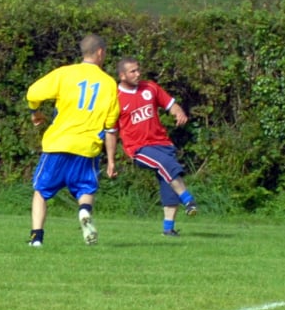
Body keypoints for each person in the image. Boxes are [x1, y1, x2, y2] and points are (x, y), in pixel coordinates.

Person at [25, 34, 120, 247]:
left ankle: (36, 238)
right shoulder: (109, 84)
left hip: (59, 143)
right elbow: (111, 127)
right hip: (88, 147)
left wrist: (35, 112)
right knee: (86, 189)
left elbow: (33, 93)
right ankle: (84, 211)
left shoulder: (65, 73)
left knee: (41, 192)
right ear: (100, 53)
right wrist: (112, 160)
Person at [103, 57, 197, 235]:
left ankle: (168, 230)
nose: (138, 74)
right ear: (122, 75)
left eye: (138, 70)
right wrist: (111, 161)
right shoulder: (115, 98)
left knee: (167, 182)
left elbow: (171, 104)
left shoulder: (150, 87)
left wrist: (179, 113)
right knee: (166, 165)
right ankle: (188, 199)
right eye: (133, 71)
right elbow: (111, 132)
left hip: (162, 142)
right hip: (138, 148)